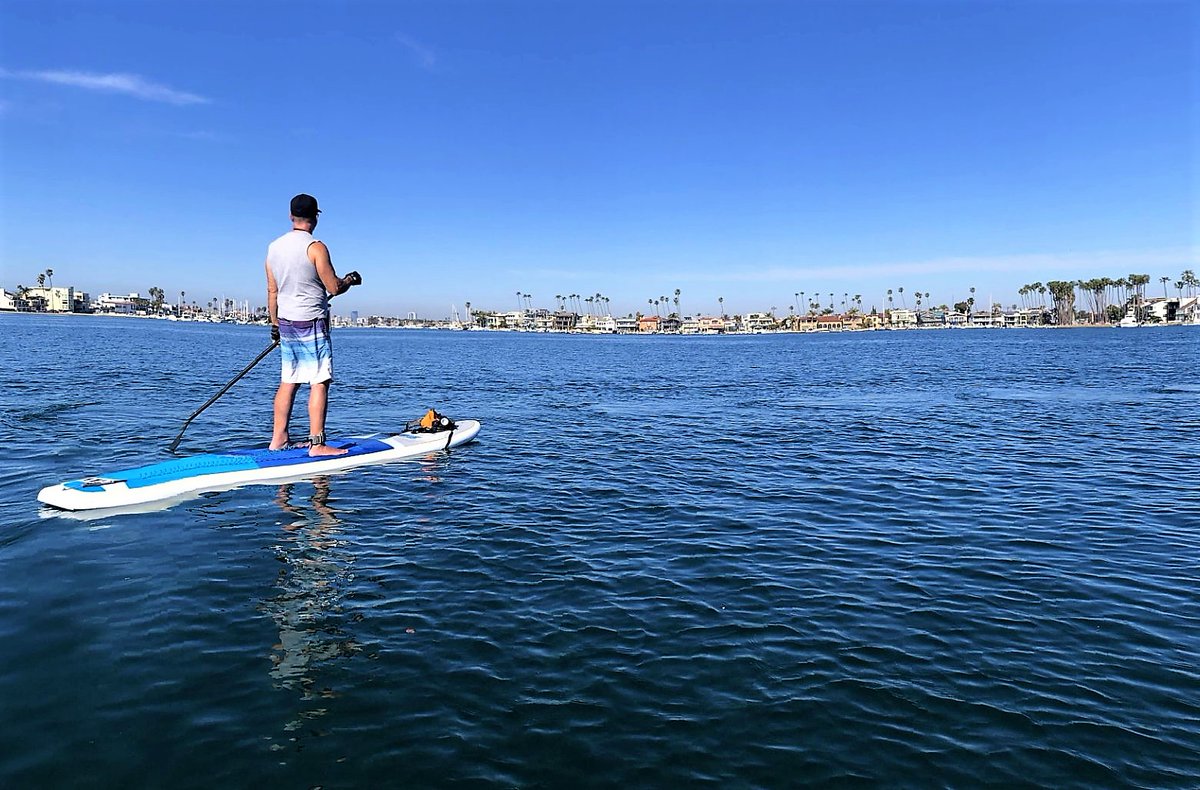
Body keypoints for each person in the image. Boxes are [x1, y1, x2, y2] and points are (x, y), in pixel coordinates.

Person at [266, 193, 361, 456]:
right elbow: (333, 287)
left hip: (285, 321)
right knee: (319, 381)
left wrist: (275, 325)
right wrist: (349, 280)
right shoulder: (316, 247)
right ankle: (317, 444)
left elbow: (272, 291)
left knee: (289, 380)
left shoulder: (273, 248)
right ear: (315, 217)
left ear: (290, 216)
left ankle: (278, 439)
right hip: (312, 321)